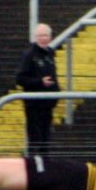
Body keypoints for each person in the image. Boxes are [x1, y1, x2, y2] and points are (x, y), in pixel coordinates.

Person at [15, 23, 59, 157]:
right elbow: (20, 78)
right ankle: (33, 168)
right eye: (40, 35)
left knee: (46, 139)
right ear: (35, 37)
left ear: (50, 37)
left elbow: (53, 76)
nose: (43, 38)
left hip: (47, 104)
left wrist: (56, 93)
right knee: (35, 139)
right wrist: (40, 82)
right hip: (34, 105)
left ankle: (44, 169)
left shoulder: (50, 53)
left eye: (45, 35)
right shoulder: (29, 55)